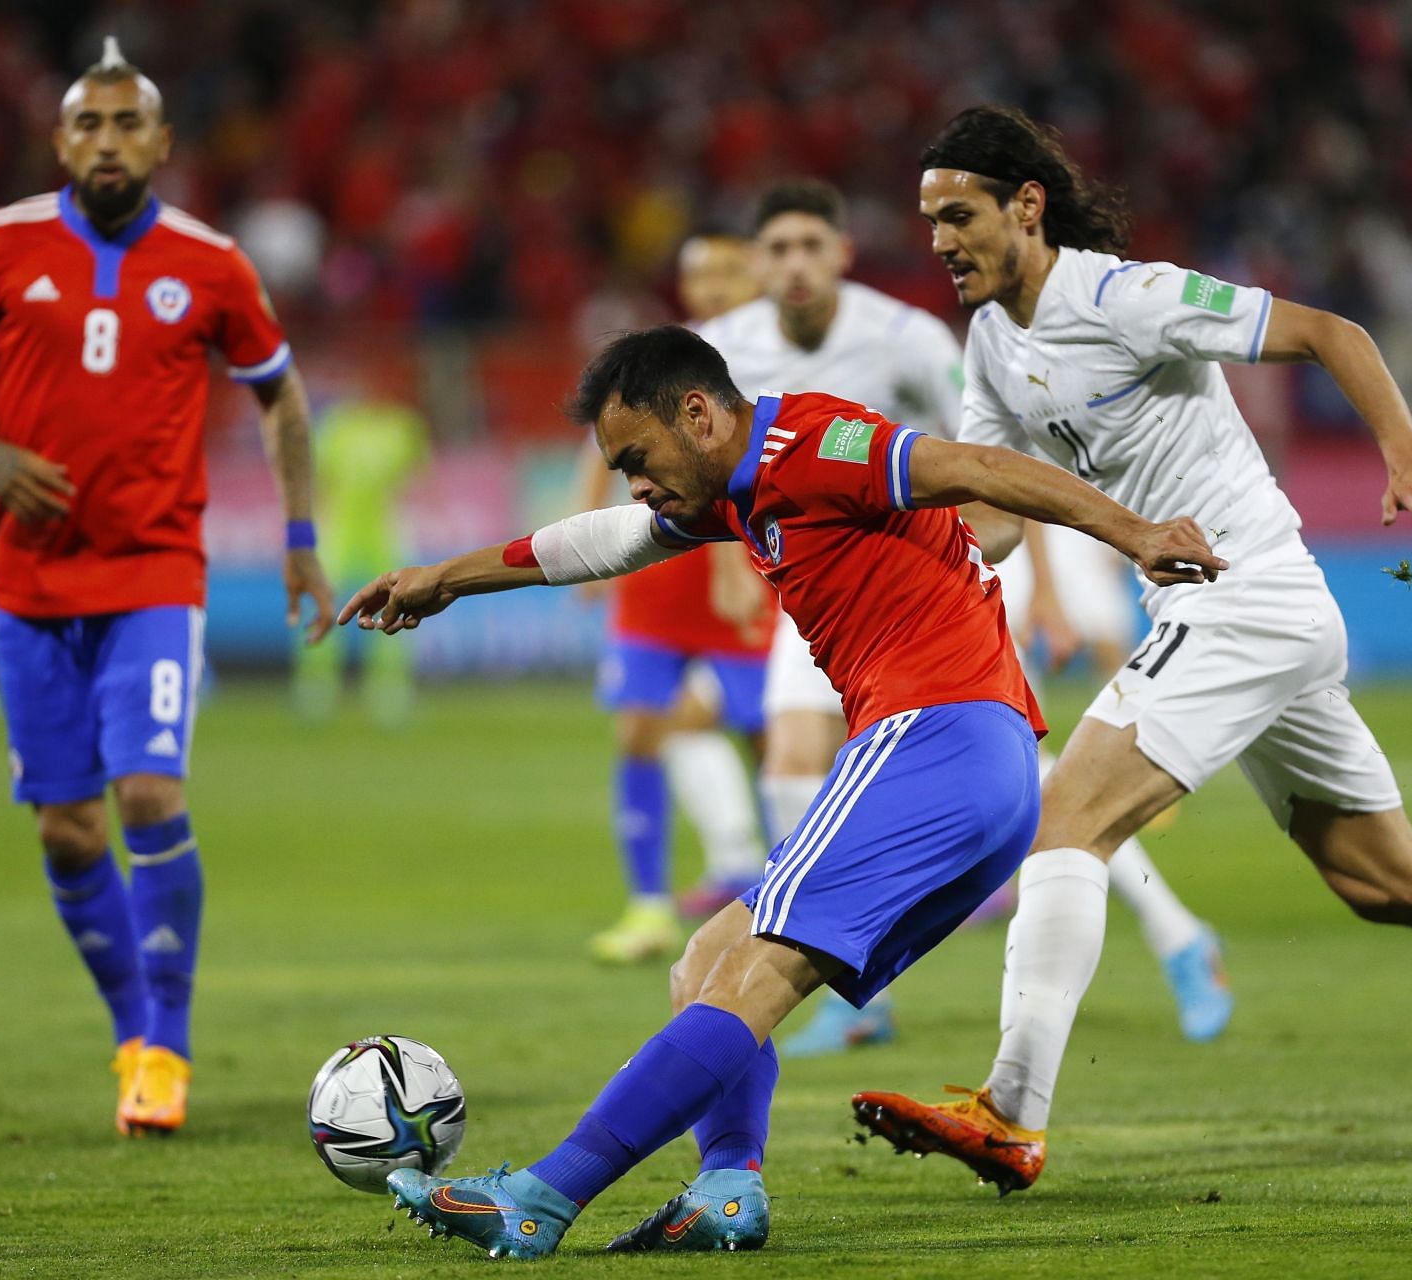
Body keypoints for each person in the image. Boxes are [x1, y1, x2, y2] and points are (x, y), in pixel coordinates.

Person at [851, 105, 1412, 1195]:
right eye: (929, 219)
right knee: (1389, 878)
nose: (938, 239)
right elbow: (995, 508)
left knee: (1066, 819)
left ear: (1026, 206)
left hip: (1245, 596)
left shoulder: (1124, 296)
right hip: (1247, 615)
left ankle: (1011, 1109)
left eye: (959, 215)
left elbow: (1333, 333)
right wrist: (891, 544)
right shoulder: (992, 341)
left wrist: (1407, 463)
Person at [337, 325, 1223, 1257]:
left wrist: (1136, 536)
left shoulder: (812, 447)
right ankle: (727, 1186)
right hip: (968, 760)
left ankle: (541, 1195)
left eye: (637, 457)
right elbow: (605, 541)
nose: (634, 480)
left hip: (934, 738)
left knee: (759, 977)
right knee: (708, 962)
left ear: (698, 413)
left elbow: (977, 465)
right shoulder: (738, 490)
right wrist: (445, 579)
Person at [0, 40, 330, 1137]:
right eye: (88, 124)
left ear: (163, 141)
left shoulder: (213, 262)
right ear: (60, 142)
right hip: (28, 582)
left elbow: (280, 396)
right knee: (67, 832)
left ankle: (168, 1049)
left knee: (146, 796)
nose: (108, 142)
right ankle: (131, 1029)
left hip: (152, 571)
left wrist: (302, 534)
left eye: (128, 123)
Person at [707, 177, 1231, 1054]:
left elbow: (993, 458)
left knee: (1035, 789)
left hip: (945, 573)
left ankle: (1180, 936)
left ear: (841, 254)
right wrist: (731, 559)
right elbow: (719, 470)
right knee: (792, 756)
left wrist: (1053, 587)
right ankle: (848, 982)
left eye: (810, 246)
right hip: (834, 597)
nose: (794, 265)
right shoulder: (727, 351)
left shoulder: (904, 339)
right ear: (754, 264)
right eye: (776, 249)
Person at [573, 232, 774, 965]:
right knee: (637, 733)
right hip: (657, 576)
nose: (712, 287)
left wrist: (739, 560)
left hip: (740, 568)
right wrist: (587, 549)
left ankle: (785, 896)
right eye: (699, 276)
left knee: (769, 741)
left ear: (754, 276)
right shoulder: (667, 361)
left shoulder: (765, 363)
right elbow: (596, 449)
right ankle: (648, 905)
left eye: (726, 272)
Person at [292, 372, 429, 725]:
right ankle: (317, 685)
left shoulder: (399, 426)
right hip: (341, 529)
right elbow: (320, 476)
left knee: (398, 603)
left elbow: (420, 472)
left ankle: (388, 687)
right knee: (324, 602)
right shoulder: (337, 426)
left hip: (383, 530)